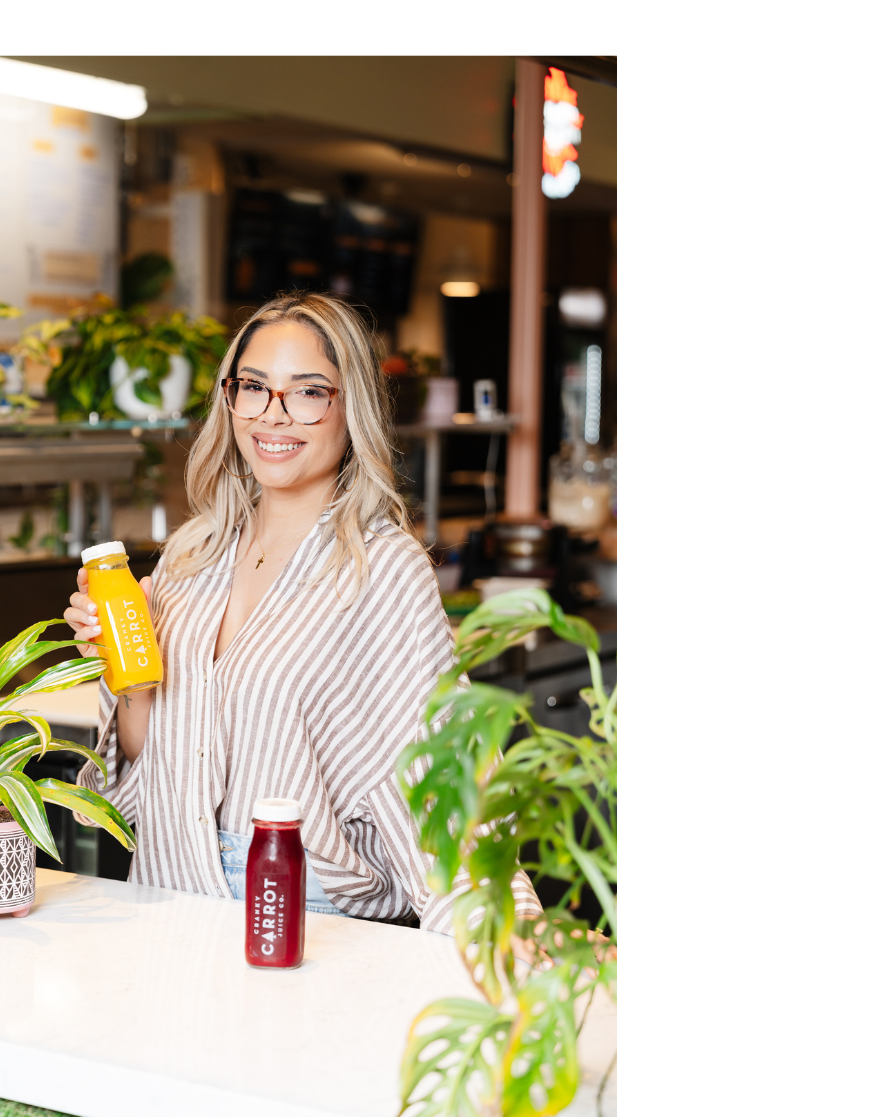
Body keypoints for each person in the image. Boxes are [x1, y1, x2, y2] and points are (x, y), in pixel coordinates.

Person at [66, 291, 539, 934]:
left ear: (352, 407)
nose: (273, 414)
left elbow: (441, 762)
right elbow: (144, 759)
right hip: (166, 890)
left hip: (299, 908)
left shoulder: (381, 567)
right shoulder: (191, 556)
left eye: (309, 392)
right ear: (230, 398)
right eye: (254, 387)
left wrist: (507, 929)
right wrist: (129, 675)